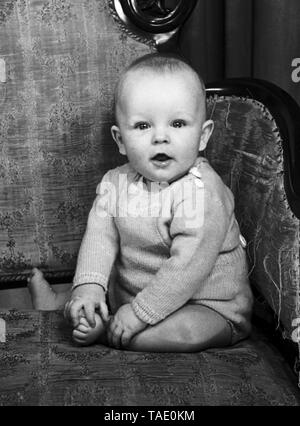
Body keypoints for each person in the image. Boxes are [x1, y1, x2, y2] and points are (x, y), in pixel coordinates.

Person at [28, 53, 253, 352]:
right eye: (143, 126)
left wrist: (138, 314)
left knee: (181, 333)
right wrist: (89, 288)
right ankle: (69, 303)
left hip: (208, 306)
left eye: (177, 123)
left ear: (203, 135)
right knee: (89, 297)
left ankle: (109, 331)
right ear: (120, 140)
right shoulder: (115, 183)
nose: (161, 136)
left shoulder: (203, 194)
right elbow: (100, 238)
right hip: (131, 297)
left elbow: (186, 270)